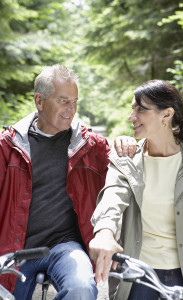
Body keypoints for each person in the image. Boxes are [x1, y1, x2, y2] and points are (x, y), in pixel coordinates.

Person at [0, 64, 136, 300]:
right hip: (14, 250)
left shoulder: (90, 146)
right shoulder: (7, 147)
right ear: (39, 101)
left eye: (75, 101)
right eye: (63, 101)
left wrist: (127, 141)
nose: (71, 109)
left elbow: (125, 170)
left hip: (65, 246)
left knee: (81, 290)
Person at [89, 79, 183, 300]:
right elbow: (112, 196)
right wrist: (104, 232)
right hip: (138, 272)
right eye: (132, 109)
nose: (131, 117)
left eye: (140, 110)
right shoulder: (127, 159)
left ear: (166, 115)